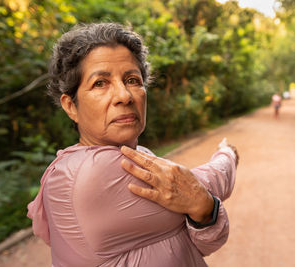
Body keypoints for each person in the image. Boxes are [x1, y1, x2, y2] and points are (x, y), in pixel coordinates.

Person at [27, 22, 239, 267]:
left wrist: (205, 210)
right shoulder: (92, 172)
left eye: (132, 80)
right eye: (100, 83)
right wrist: (227, 155)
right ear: (70, 106)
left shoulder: (139, 155)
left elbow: (201, 244)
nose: (124, 96)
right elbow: (198, 185)